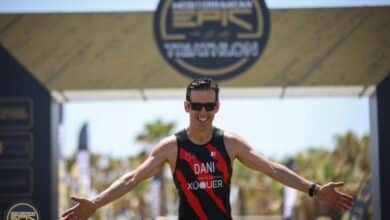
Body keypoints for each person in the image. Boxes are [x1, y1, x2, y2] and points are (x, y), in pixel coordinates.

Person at [61, 78, 354, 220]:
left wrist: (314, 190)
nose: (203, 112)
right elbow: (131, 179)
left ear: (217, 106)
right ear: (187, 106)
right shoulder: (171, 147)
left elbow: (272, 169)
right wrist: (95, 204)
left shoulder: (230, 143)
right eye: (197, 106)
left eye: (209, 106)